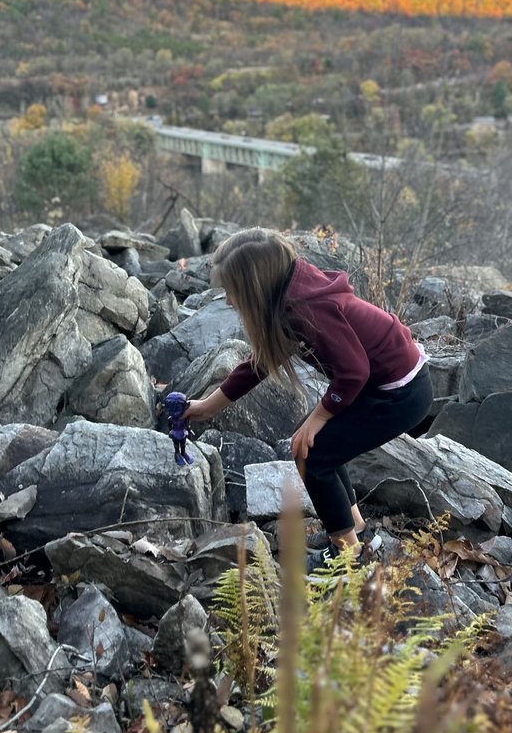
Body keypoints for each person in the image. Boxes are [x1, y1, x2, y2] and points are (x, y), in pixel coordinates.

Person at [183, 228, 432, 570]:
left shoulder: (303, 307)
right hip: (390, 384)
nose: (228, 300)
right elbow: (257, 366)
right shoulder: (290, 294)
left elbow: (354, 372)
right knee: (317, 445)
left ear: (255, 286)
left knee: (312, 453)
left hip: (400, 392)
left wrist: (318, 418)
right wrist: (206, 407)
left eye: (232, 291)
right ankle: (355, 531)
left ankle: (348, 557)